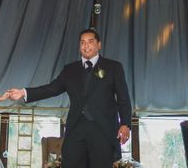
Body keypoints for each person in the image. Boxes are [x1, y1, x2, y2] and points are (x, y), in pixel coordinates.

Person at [7, 28, 133, 168]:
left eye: (90, 42)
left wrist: (125, 124)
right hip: (76, 128)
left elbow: (123, 98)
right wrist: (24, 92)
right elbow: (52, 88)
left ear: (99, 45)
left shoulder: (113, 67)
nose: (86, 46)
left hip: (102, 129)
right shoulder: (70, 69)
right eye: (83, 42)